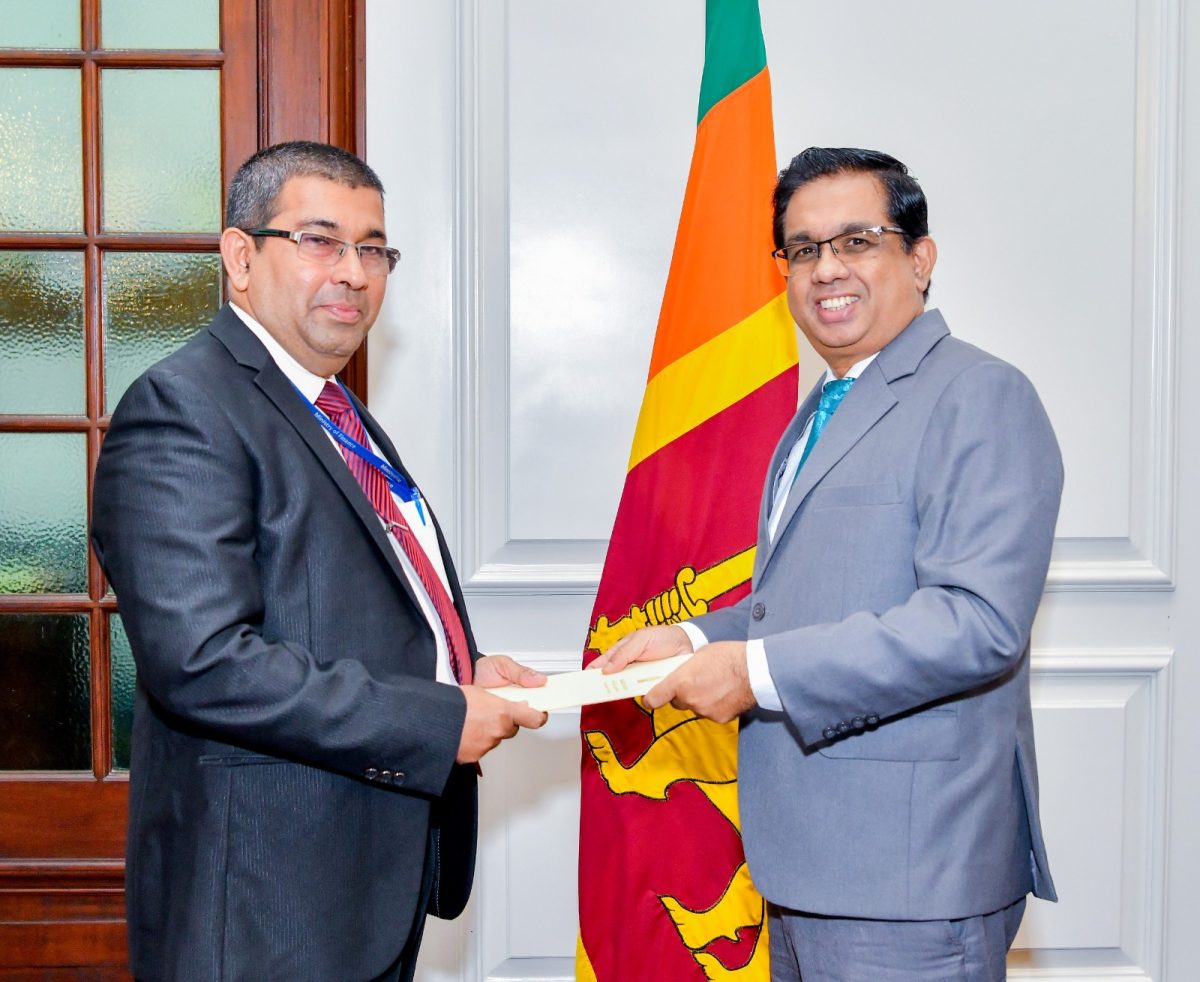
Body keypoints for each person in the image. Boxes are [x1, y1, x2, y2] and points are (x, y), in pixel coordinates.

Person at [594, 147, 1061, 981]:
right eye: (803, 249)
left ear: (920, 258)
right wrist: (696, 639)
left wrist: (752, 673)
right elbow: (807, 603)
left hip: (910, 880)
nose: (826, 268)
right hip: (806, 867)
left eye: (857, 240)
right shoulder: (824, 407)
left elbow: (976, 623)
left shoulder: (980, 395)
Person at [90, 141, 548, 982]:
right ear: (240, 258)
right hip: (264, 910)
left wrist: (460, 671)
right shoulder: (184, 407)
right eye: (319, 241)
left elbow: (343, 607)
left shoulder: (334, 409)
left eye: (373, 249)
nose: (353, 272)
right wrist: (436, 719)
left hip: (359, 888)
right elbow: (203, 663)